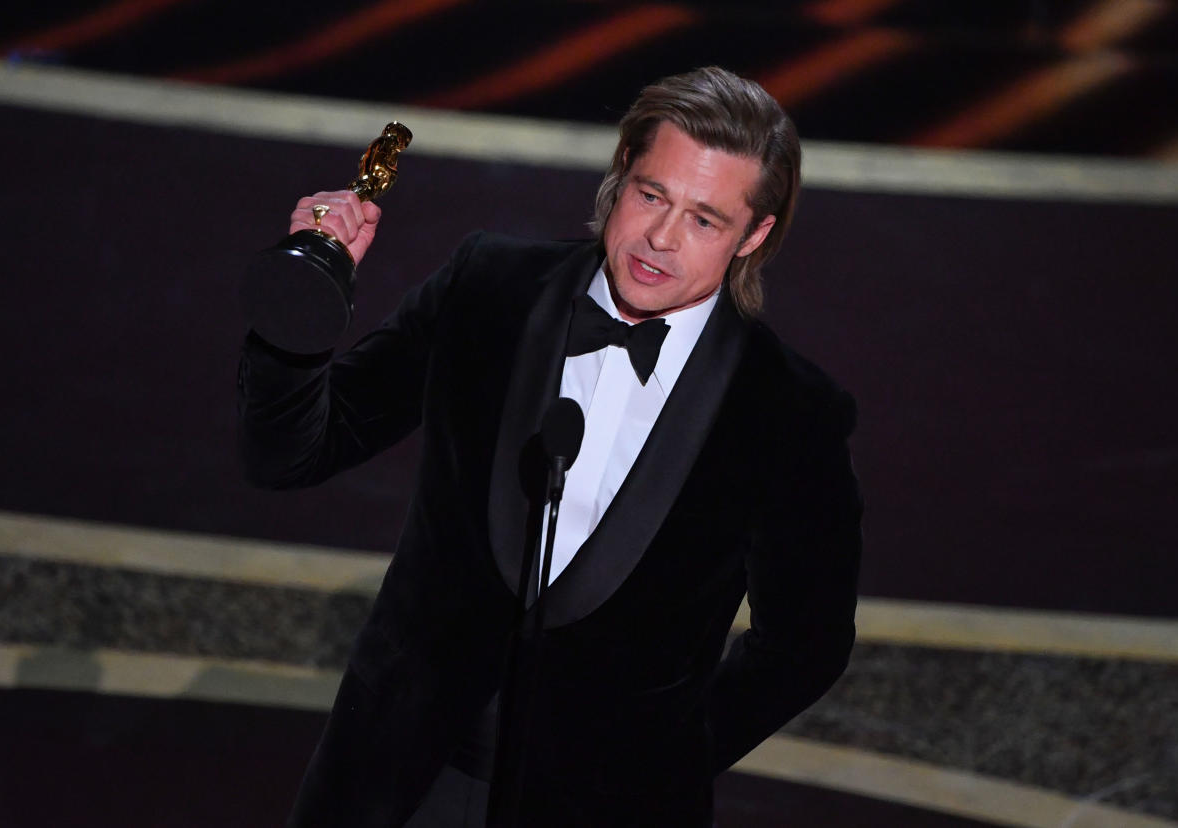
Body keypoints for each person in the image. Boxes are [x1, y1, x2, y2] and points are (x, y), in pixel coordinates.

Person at [239, 66, 862, 828]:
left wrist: (664, 761)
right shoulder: (488, 288)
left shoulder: (791, 410)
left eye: (705, 219)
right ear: (621, 175)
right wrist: (301, 306)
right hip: (394, 784)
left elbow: (807, 644)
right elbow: (289, 454)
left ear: (754, 235)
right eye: (651, 195)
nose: (661, 240)